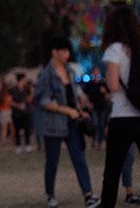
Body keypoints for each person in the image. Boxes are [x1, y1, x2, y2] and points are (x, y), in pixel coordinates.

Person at [35, 37, 100, 208]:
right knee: (52, 162)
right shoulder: (47, 75)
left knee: (79, 158)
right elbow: (44, 101)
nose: (67, 55)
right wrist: (67, 111)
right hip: (54, 124)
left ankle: (88, 195)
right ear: (54, 52)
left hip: (73, 123)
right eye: (63, 51)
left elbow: (73, 95)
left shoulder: (70, 71)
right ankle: (51, 196)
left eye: (68, 51)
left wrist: (79, 110)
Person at [98, 6, 140, 207]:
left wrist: (108, 78)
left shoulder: (115, 49)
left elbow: (114, 85)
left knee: (112, 171)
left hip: (122, 117)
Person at [10, 73, 34, 154]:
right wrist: (18, 105)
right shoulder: (13, 89)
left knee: (27, 129)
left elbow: (28, 100)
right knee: (17, 130)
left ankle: (28, 145)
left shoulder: (26, 89)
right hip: (16, 113)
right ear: (22, 79)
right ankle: (18, 146)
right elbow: (9, 101)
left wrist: (32, 93)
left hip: (26, 112)